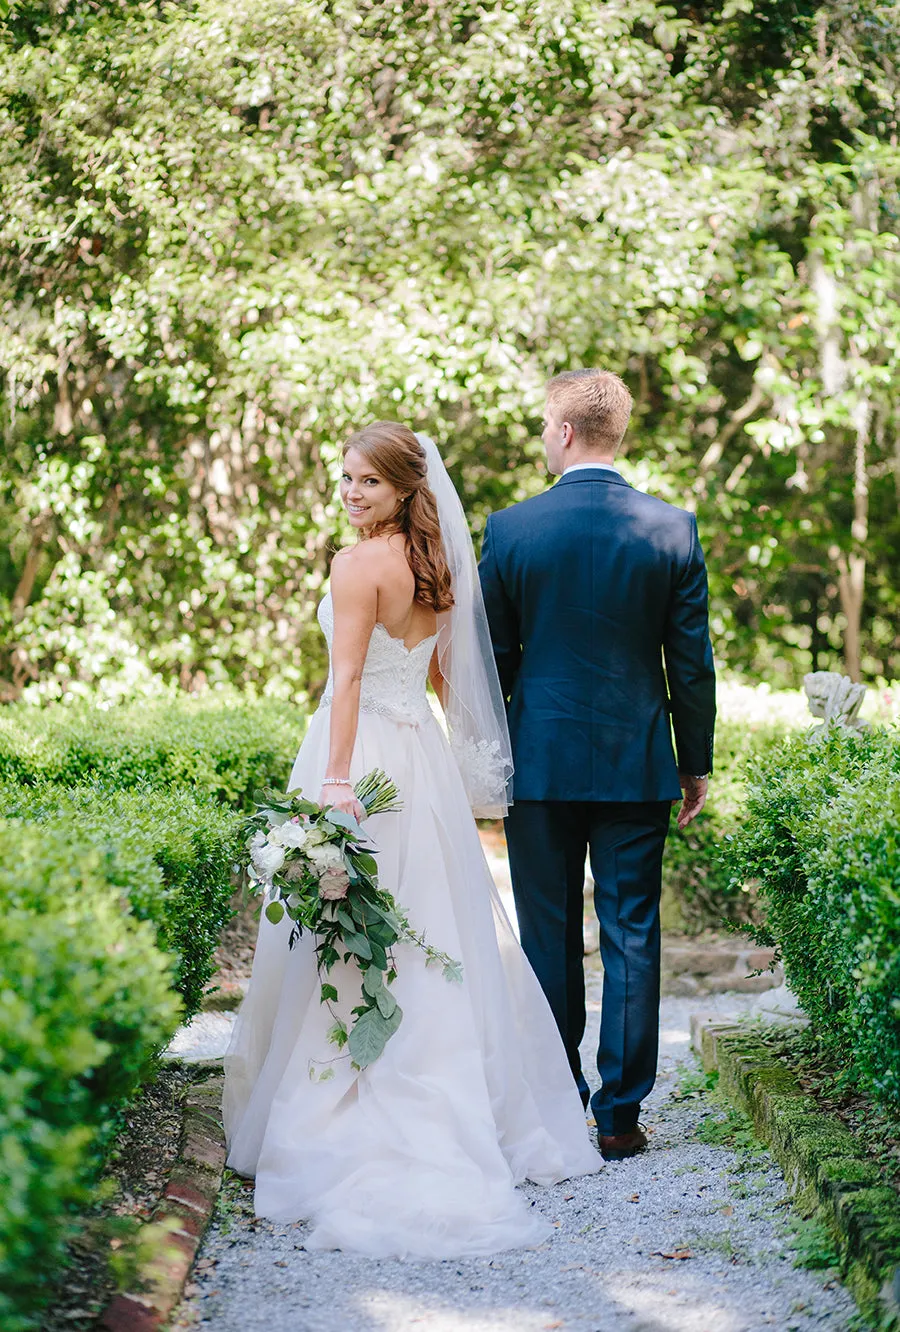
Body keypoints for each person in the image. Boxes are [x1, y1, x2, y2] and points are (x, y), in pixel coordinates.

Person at [223, 421, 602, 1260]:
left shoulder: (355, 565)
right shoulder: (436, 570)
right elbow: (439, 674)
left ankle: (348, 1096)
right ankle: (467, 1099)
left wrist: (334, 783)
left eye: (367, 482)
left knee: (354, 932)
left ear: (403, 489)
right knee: (428, 925)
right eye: (346, 478)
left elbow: (348, 677)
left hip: (357, 759)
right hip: (419, 762)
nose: (351, 493)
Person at [478, 369, 716, 1161]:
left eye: (547, 428)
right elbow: (692, 665)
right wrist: (695, 763)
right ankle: (619, 1118)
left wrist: (485, 756)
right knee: (633, 935)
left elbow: (494, 659)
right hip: (634, 762)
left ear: (567, 432)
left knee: (548, 937)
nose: (545, 440)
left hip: (538, 767)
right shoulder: (672, 529)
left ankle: (556, 1104)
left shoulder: (511, 531)